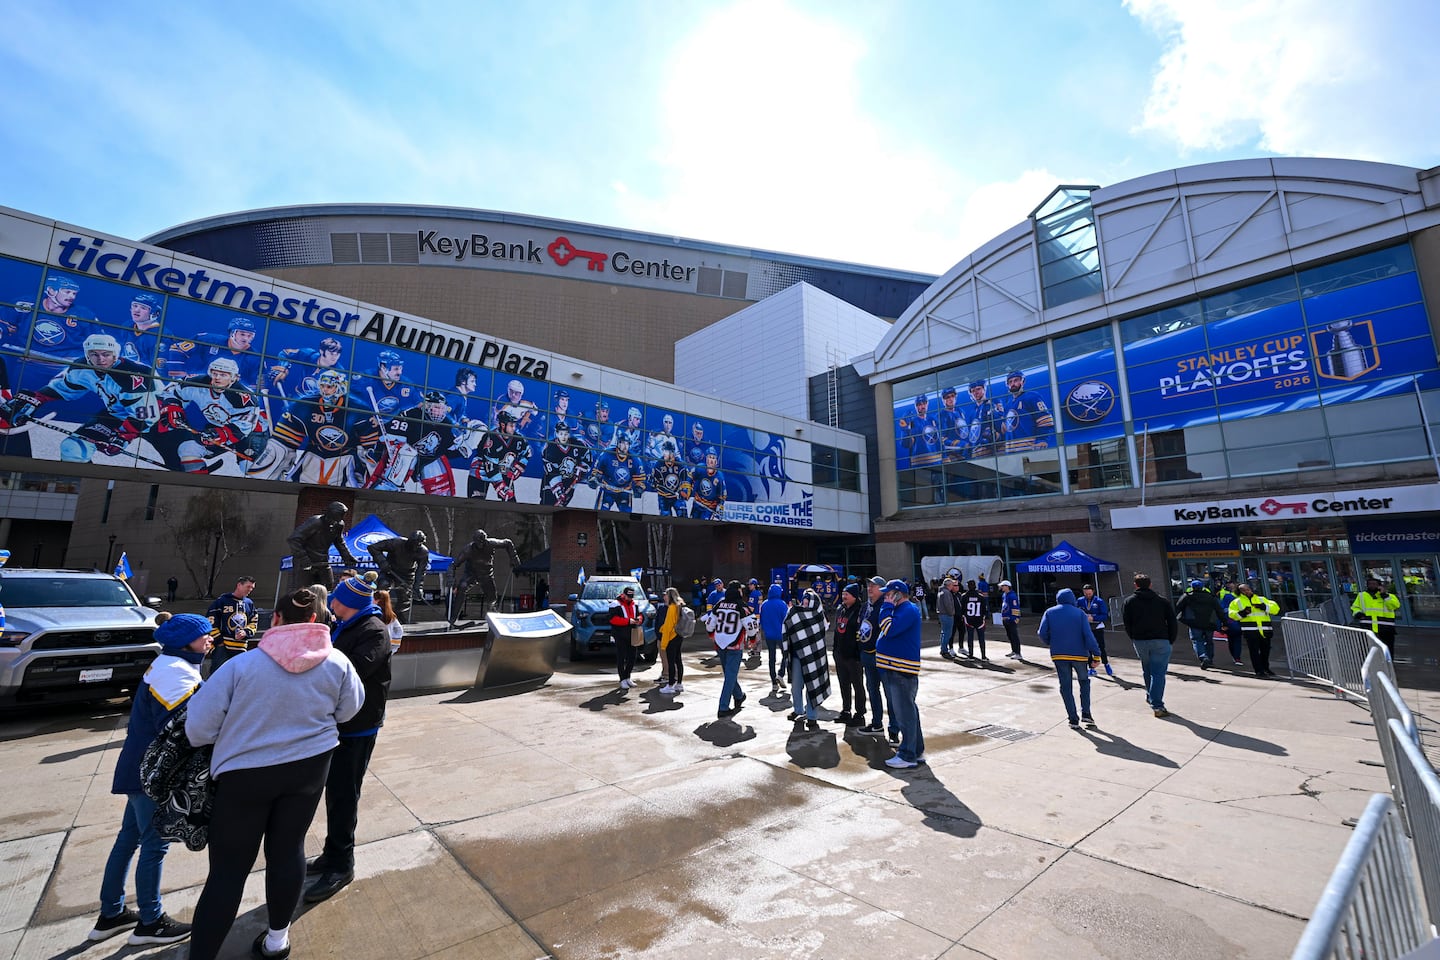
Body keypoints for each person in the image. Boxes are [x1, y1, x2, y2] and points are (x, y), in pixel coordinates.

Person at [184, 589, 363, 960]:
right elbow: (349, 711)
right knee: (288, 851)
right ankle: (277, 942)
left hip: (244, 777)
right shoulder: (338, 663)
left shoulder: (241, 666)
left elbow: (198, 729)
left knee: (228, 871)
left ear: (276, 619)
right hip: (309, 770)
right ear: (315, 621)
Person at [88, 613, 211, 946]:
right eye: (204, 635)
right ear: (185, 642)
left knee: (128, 838)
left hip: (139, 768)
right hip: (153, 773)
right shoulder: (174, 673)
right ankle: (150, 922)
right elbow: (181, 729)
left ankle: (111, 914)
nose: (209, 639)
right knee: (154, 845)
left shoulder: (170, 664)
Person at [305, 571, 392, 904]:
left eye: (336, 598)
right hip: (341, 724)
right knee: (336, 792)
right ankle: (332, 854)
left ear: (349, 603)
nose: (331, 602)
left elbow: (351, 672)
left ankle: (342, 865)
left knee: (344, 794)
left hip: (358, 726)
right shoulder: (347, 625)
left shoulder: (373, 630)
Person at [876, 579, 924, 768]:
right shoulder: (902, 610)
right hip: (895, 669)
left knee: (905, 714)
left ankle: (907, 755)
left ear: (897, 594)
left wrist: (886, 607)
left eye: (888, 594)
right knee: (908, 712)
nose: (885, 598)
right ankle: (916, 750)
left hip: (901, 671)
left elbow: (888, 628)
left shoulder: (907, 609)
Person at [1038, 589, 1103, 728]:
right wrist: (1096, 655)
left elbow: (1042, 633)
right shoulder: (1080, 613)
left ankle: (1073, 719)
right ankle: (1086, 713)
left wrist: (1051, 642)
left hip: (1059, 654)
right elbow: (1088, 636)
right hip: (1080, 655)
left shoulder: (1049, 612)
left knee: (1065, 686)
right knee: (1084, 682)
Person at [1122, 573, 1178, 718]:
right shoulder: (1162, 601)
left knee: (1147, 669)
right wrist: (1171, 639)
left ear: (1135, 585)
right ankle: (1157, 705)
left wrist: (1133, 637)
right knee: (1158, 674)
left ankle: (1150, 695)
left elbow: (1127, 623)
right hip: (1160, 640)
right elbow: (1172, 621)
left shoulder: (1129, 601)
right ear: (1150, 584)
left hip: (1140, 640)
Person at [450, 528, 521, 623]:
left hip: (486, 575)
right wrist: (452, 581)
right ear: (474, 541)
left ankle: (492, 618)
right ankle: (453, 617)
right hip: (471, 574)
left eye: (483, 542)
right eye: (479, 543)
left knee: (492, 598)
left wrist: (514, 559)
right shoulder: (468, 550)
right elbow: (453, 565)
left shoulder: (491, 543)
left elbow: (508, 543)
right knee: (462, 587)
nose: (481, 545)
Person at [783, 588, 831, 730]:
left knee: (813, 686)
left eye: (806, 602)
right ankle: (798, 710)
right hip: (797, 657)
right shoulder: (795, 613)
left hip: (814, 657)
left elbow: (824, 629)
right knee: (796, 686)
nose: (804, 604)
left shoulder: (819, 615)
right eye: (803, 602)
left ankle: (812, 716)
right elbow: (787, 626)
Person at [705, 581, 754, 719]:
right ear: (738, 591)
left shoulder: (719, 604)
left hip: (720, 644)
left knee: (729, 674)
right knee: (730, 675)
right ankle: (723, 707)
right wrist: (752, 639)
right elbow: (751, 626)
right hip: (734, 645)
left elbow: (709, 624)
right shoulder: (742, 606)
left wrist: (712, 634)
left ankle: (739, 696)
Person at [286, 501, 359, 590]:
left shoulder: (339, 524)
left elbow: (339, 541)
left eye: (341, 516)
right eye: (337, 516)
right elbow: (294, 539)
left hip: (323, 560)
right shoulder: (315, 522)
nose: (339, 519)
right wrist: (303, 557)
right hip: (306, 560)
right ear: (330, 514)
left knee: (328, 586)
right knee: (303, 589)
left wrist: (347, 557)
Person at [857, 576, 890, 737]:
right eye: (869, 585)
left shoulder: (885, 607)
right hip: (867, 655)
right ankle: (877, 723)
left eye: (874, 586)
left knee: (889, 693)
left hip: (881, 657)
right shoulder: (866, 606)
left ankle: (894, 729)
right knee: (872, 690)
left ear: (882, 589)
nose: (869, 588)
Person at [1228, 582, 1281, 678]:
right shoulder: (1236, 602)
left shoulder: (1261, 599)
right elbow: (1232, 615)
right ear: (1240, 592)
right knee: (1254, 652)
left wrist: (1263, 607)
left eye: (1248, 589)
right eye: (1244, 590)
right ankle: (1259, 671)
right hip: (1250, 631)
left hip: (1265, 630)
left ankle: (1266, 668)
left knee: (1265, 651)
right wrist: (1243, 613)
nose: (1247, 591)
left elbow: (1275, 609)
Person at [207, 576, 258, 674]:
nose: (250, 590)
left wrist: (246, 632)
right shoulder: (221, 601)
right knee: (218, 675)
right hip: (223, 647)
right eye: (248, 587)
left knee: (239, 676)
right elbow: (210, 621)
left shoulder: (249, 603)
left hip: (241, 647)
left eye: (252, 588)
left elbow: (254, 622)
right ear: (239, 585)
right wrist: (219, 642)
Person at [831, 583, 865, 726]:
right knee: (843, 684)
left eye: (847, 594)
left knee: (857, 685)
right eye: (843, 593)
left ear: (855, 596)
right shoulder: (841, 609)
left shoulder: (860, 610)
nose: (844, 596)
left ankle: (860, 713)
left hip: (854, 656)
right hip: (840, 654)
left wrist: (858, 653)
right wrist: (835, 651)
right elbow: (837, 631)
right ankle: (846, 710)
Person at [1175, 579, 1224, 669]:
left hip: (1194, 623)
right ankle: (1210, 659)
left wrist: (1179, 618)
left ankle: (1203, 657)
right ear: (1202, 587)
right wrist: (1224, 622)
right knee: (1209, 642)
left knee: (1197, 640)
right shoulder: (1211, 597)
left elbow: (1178, 607)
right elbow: (1219, 610)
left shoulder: (1187, 596)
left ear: (1192, 587)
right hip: (1209, 623)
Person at [1352, 576, 1400, 655]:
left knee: (1387, 647)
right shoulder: (1361, 595)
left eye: (1374, 584)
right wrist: (1358, 613)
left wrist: (1384, 595)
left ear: (1379, 586)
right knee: (1366, 647)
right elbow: (1355, 607)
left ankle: (1388, 661)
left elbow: (1395, 606)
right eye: (1370, 584)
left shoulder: (1389, 596)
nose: (1372, 586)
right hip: (1367, 625)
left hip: (1385, 627)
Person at [608, 584, 644, 690]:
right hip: (620, 634)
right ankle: (622, 679)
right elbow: (612, 619)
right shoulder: (615, 604)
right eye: (628, 596)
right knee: (621, 656)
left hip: (633, 632)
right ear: (623, 595)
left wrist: (639, 619)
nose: (630, 599)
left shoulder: (635, 604)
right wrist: (628, 621)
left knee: (632, 656)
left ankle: (628, 676)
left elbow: (640, 615)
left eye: (631, 597)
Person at [1076, 584, 1112, 676]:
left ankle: (1106, 664)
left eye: (1089, 593)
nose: (1088, 595)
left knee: (1101, 647)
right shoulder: (1080, 601)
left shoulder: (1099, 601)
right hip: (1085, 627)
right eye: (1085, 594)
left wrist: (1093, 618)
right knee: (1088, 647)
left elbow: (1105, 615)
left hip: (1097, 627)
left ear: (1093, 592)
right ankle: (1091, 668)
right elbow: (1076, 612)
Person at [759, 583, 789, 695]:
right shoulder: (782, 604)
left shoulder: (764, 604)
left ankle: (773, 683)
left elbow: (761, 620)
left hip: (769, 635)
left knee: (772, 658)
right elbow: (786, 620)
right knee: (786, 655)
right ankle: (781, 674)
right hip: (781, 634)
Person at [658, 587, 687, 694]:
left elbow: (668, 627)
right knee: (678, 660)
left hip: (672, 637)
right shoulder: (679, 606)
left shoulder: (672, 608)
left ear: (670, 596)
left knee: (671, 662)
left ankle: (670, 685)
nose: (664, 597)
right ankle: (679, 684)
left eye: (666, 595)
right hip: (679, 635)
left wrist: (663, 644)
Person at [1218, 580, 1245, 666]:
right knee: (1237, 640)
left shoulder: (1228, 597)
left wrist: (1222, 623)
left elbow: (1222, 610)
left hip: (1231, 622)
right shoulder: (1244, 598)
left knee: (1232, 640)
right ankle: (1237, 657)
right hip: (1240, 622)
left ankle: (1235, 656)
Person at [960, 580, 988, 660]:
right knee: (981, 638)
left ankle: (971, 655)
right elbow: (985, 609)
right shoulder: (981, 596)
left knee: (970, 638)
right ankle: (983, 656)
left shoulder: (964, 596)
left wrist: (963, 616)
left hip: (969, 620)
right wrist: (984, 617)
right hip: (979, 620)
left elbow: (962, 609)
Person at [999, 579, 1023, 659]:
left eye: (1003, 586)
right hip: (1005, 619)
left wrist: (1015, 618)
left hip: (1011, 619)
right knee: (1010, 636)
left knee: (1014, 636)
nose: (1001, 587)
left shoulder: (1012, 596)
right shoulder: (1004, 595)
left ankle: (1018, 653)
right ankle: (1014, 650)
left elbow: (1015, 608)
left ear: (1007, 586)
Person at [936, 576, 958, 658]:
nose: (953, 586)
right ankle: (944, 650)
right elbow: (948, 605)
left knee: (944, 632)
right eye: (952, 585)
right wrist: (952, 613)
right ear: (949, 585)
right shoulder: (946, 593)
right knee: (947, 633)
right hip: (947, 615)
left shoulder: (941, 591)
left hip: (942, 614)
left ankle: (943, 648)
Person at [377, 589, 404, 655]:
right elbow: (399, 630)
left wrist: (393, 647)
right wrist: (393, 647)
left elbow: (399, 630)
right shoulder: (391, 615)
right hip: (384, 648)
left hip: (379, 647)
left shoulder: (388, 615)